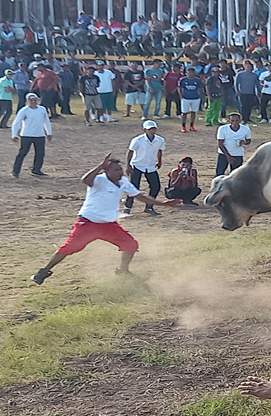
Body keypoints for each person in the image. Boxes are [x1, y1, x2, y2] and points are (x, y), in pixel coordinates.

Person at [30, 154, 181, 285]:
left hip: (108, 224)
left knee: (130, 244)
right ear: (106, 171)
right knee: (69, 248)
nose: (119, 172)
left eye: (120, 169)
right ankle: (44, 272)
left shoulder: (123, 181)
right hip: (88, 222)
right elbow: (85, 180)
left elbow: (139, 196)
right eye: (115, 170)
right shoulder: (99, 180)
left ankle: (123, 271)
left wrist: (162, 204)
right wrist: (99, 166)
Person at [124, 120, 165, 215]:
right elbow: (130, 152)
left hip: (150, 165)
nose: (152, 131)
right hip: (137, 165)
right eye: (150, 129)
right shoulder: (137, 140)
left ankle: (149, 206)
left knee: (156, 186)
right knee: (134, 187)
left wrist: (159, 161)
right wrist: (128, 165)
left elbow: (160, 150)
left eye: (153, 129)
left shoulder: (160, 140)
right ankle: (128, 206)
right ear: (144, 130)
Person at [11, 93, 52, 177]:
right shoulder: (24, 110)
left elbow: (46, 121)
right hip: (27, 135)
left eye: (35, 100)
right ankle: (16, 171)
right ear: (27, 101)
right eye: (31, 100)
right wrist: (14, 134)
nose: (33, 102)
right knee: (22, 153)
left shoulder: (42, 109)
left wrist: (49, 133)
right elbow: (16, 122)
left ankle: (36, 170)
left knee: (40, 153)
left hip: (39, 135)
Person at [179, 67, 202, 132]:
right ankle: (183, 126)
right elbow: (180, 88)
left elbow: (199, 88)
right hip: (186, 98)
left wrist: (199, 96)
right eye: (189, 72)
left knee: (193, 112)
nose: (190, 73)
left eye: (192, 72)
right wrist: (181, 96)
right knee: (184, 113)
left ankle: (191, 126)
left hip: (195, 98)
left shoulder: (197, 80)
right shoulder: (183, 80)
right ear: (186, 73)